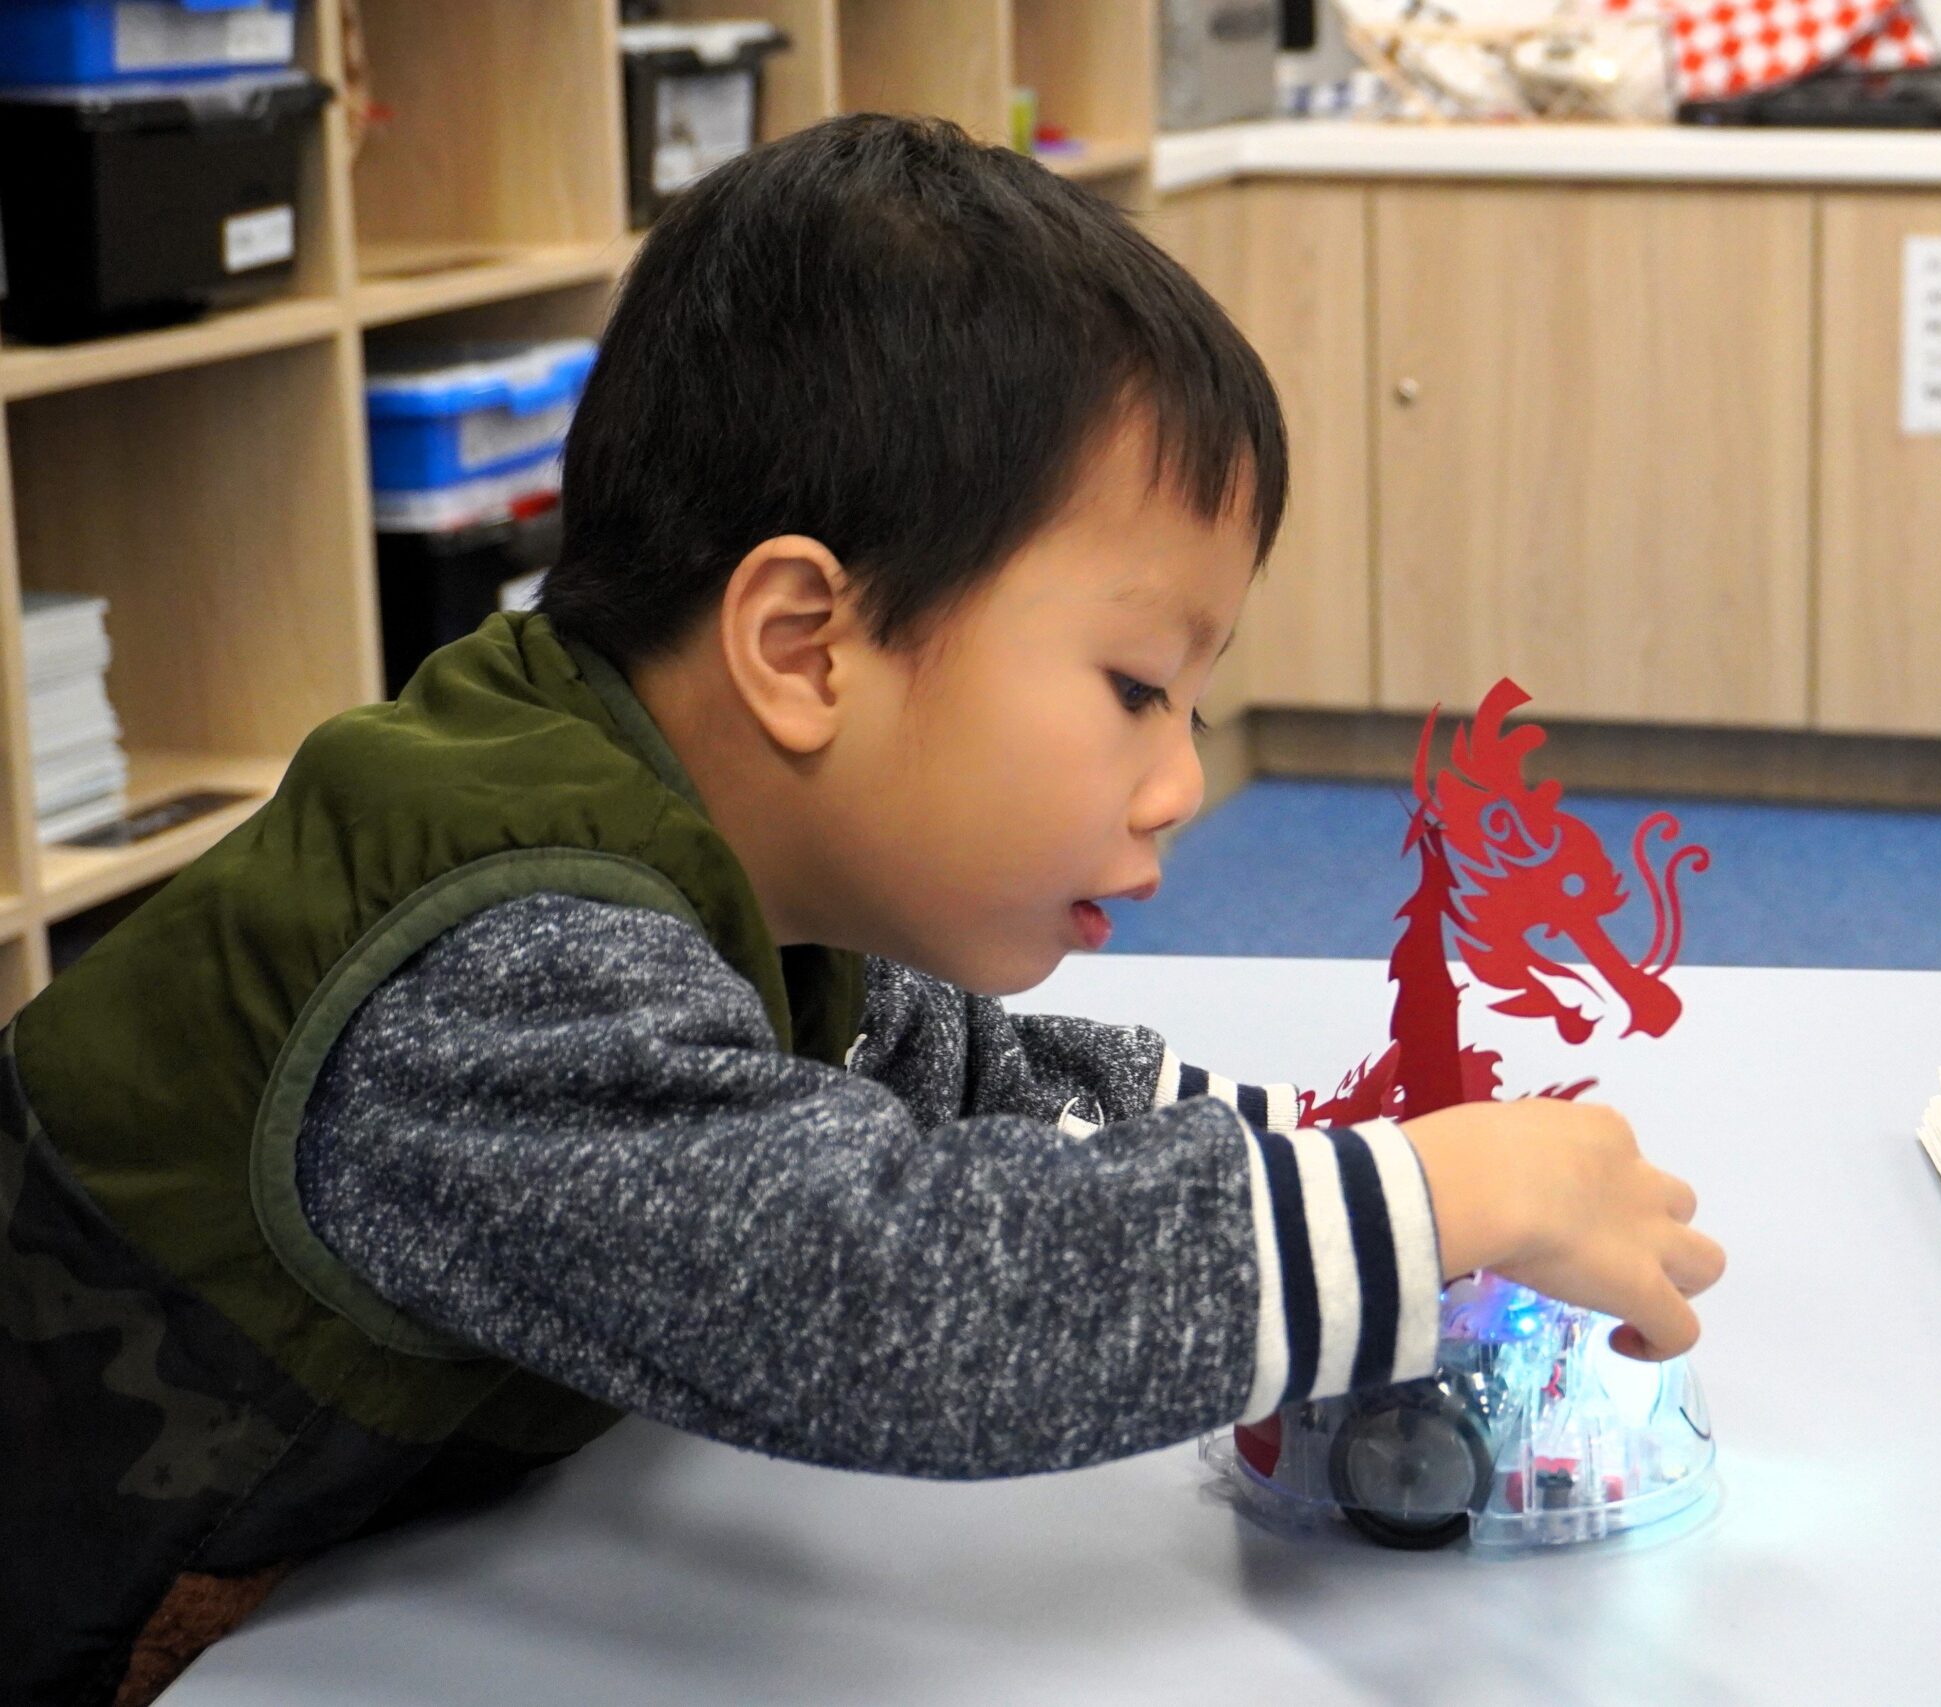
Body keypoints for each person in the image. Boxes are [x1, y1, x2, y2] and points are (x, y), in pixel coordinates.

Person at [1, 115, 1725, 1705]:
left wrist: (1347, 1143)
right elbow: (884, 1293)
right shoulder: (506, 962)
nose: (1182, 782)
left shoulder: (733, 860)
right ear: (806, 648)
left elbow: (967, 1088)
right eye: (1138, 687)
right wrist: (1435, 1205)